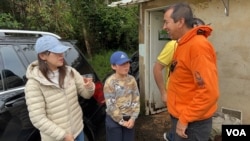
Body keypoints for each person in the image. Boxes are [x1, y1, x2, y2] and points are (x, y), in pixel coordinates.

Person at [163, 2, 219, 141]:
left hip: (192, 125)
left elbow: (209, 92)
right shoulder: (183, 44)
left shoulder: (198, 46)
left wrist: (185, 118)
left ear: (180, 22)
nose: (164, 27)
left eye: (166, 22)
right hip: (183, 119)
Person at [24, 35, 95, 141]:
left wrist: (89, 87)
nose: (61, 55)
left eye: (61, 51)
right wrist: (63, 135)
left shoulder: (70, 72)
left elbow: (87, 95)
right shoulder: (34, 84)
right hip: (57, 138)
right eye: (56, 52)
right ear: (43, 56)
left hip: (78, 131)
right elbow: (37, 118)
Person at [153, 17, 206, 141]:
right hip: (177, 98)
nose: (200, 35)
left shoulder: (200, 47)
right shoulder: (174, 45)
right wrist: (163, 93)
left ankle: (172, 135)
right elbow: (157, 69)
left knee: (186, 130)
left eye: (202, 32)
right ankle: (172, 136)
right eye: (198, 31)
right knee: (180, 127)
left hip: (193, 98)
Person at [103, 51, 140, 141]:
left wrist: (133, 118)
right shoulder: (110, 82)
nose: (126, 66)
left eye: (127, 63)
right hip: (114, 120)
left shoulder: (132, 79)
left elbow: (136, 99)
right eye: (122, 64)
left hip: (129, 119)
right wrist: (122, 121)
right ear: (113, 66)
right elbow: (111, 105)